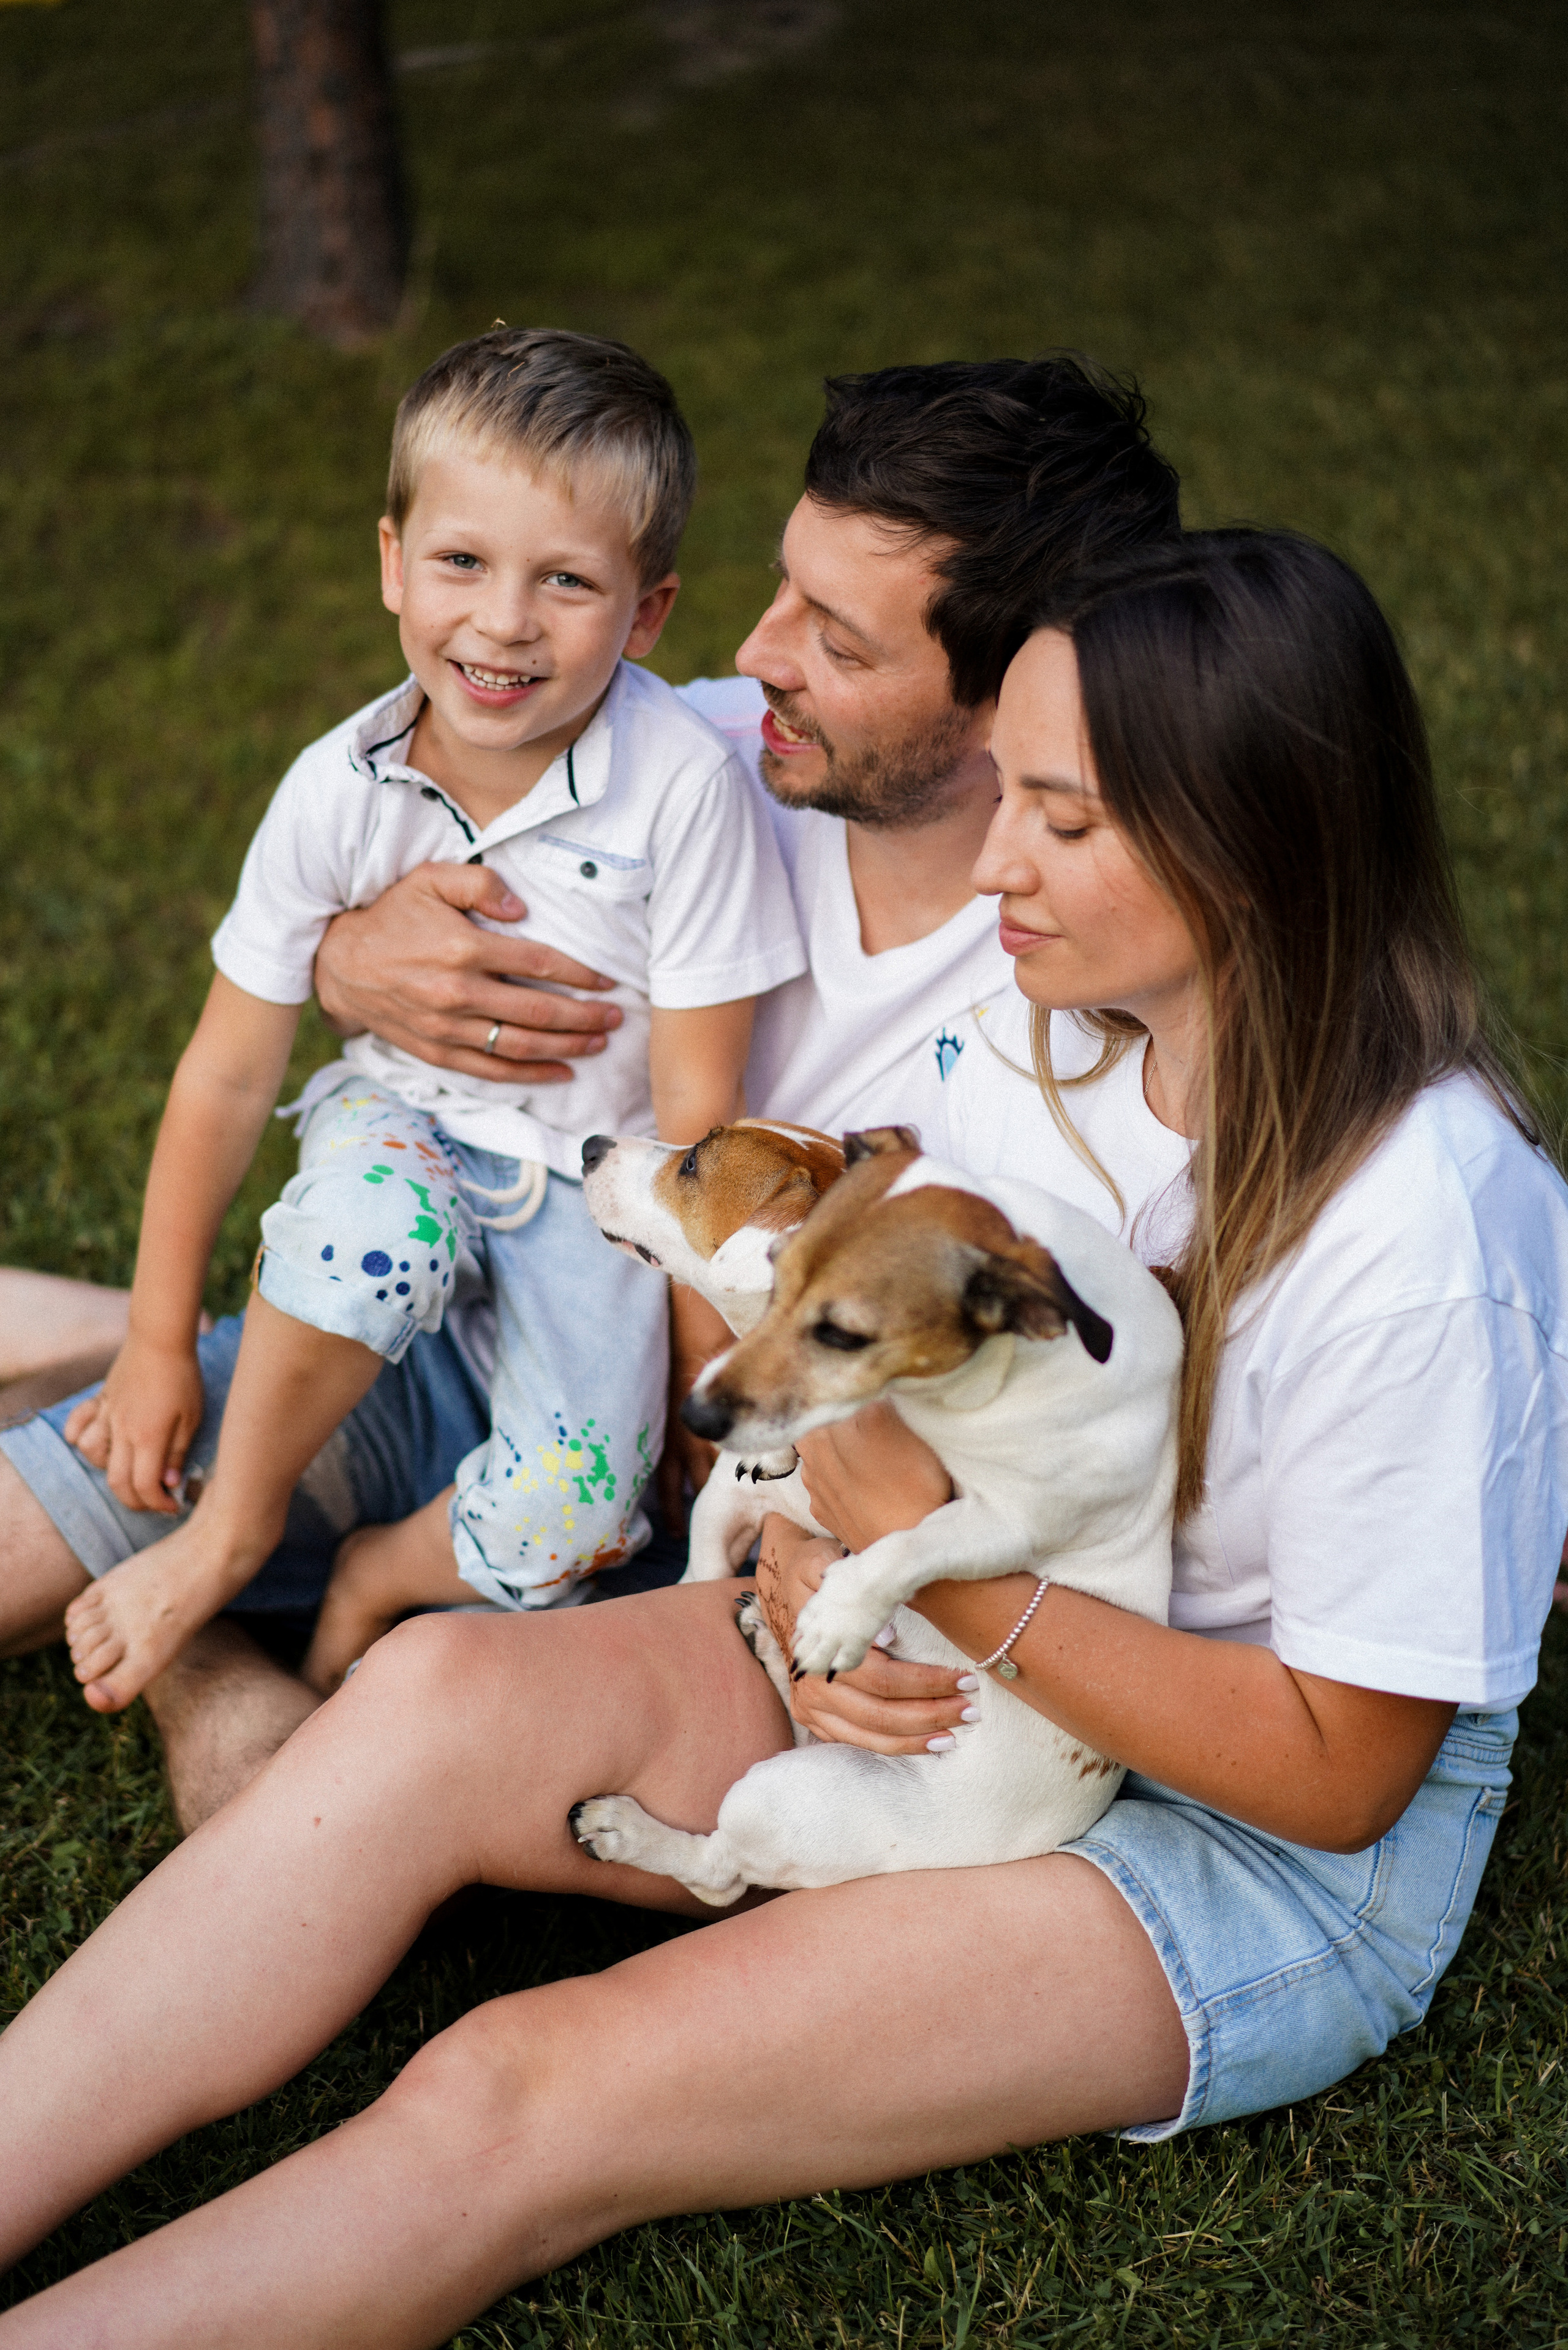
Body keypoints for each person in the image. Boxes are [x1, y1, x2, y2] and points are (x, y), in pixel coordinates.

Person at [3, 528, 1562, 2349]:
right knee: (424, 1703)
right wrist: (811, 1557)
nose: (994, 859)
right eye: (1006, 792)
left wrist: (931, 1577)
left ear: (1253, 843)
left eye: (1059, 819)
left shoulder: (1426, 1230)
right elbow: (875, 1383)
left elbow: (1337, 1775)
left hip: (1239, 1834)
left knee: (519, 2084)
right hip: (946, 1624)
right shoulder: (1045, 1037)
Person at [0, 355, 1181, 1825]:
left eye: (834, 637)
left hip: (631, 1437)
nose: (756, 652)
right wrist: (349, 959)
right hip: (411, 1319)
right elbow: (391, 853)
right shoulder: (693, 741)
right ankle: (163, 1428)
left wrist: (799, 1541)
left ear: (1022, 697)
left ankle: (199, 1571)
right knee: (71, 1523)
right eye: (782, 588)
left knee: (327, 1780)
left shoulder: (1083, 1004)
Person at [48, 326, 807, 1715]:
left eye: (566, 580)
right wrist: (155, 1340)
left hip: (590, 1189)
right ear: (392, 561)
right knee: (369, 1237)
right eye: (462, 561)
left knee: (578, 1513)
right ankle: (230, 1535)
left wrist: (708, 1348)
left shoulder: (684, 792)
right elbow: (227, 1073)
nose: (504, 622)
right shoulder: (337, 785)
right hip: (401, 1122)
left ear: (646, 611)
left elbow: (697, 1113)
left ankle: (378, 1573)